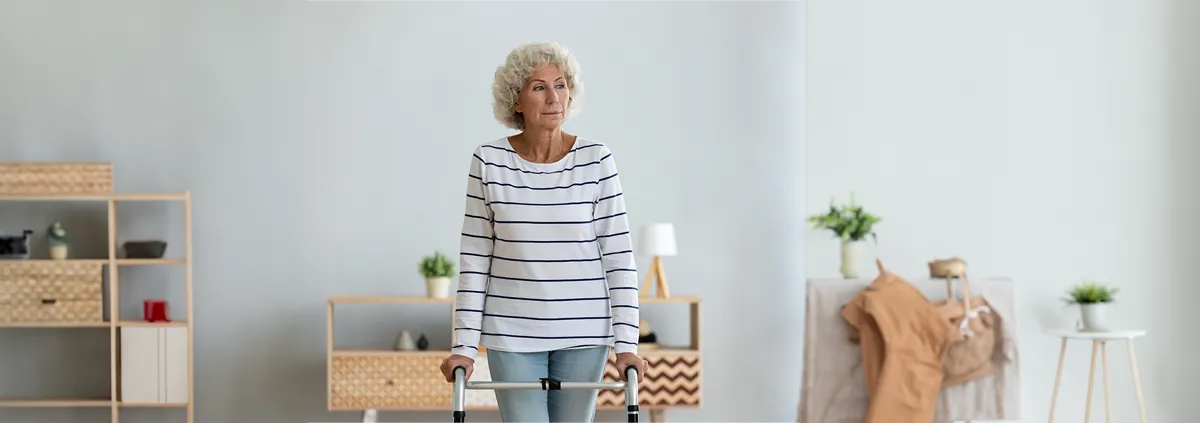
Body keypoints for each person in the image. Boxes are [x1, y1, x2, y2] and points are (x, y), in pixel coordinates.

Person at [439, 41, 649, 423]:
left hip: (585, 333)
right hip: (512, 334)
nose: (554, 97)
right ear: (516, 100)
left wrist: (627, 345)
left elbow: (619, 258)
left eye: (562, 85)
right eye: (539, 87)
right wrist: (464, 348)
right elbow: (474, 262)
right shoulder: (488, 161)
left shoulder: (597, 160)